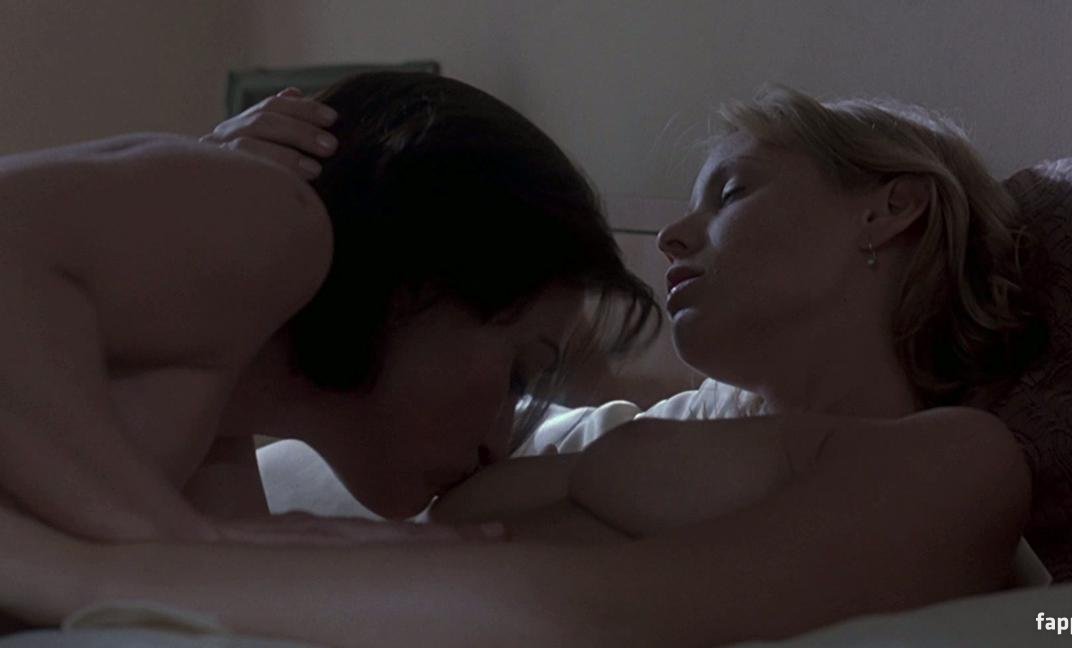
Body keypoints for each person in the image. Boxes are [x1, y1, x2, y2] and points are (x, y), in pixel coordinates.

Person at [0, 85, 1043, 646]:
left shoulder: (960, 459)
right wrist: (189, 219)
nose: (672, 235)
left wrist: (88, 569)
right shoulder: (610, 437)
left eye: (731, 192)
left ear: (889, 208)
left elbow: (601, 614)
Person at [0, 70, 656, 551]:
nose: (497, 445)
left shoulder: (216, 417)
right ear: (423, 281)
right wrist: (162, 532)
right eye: (517, 376)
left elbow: (229, 597)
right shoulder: (276, 218)